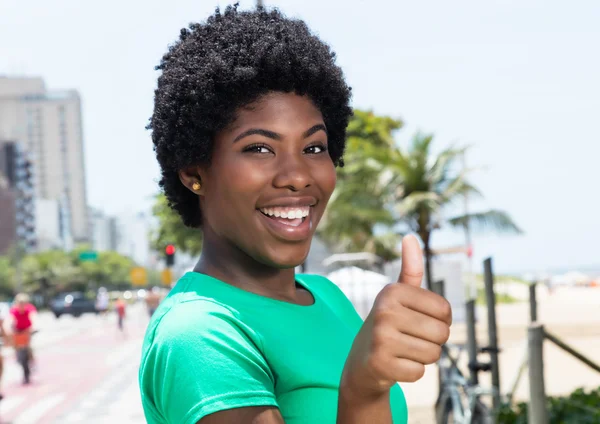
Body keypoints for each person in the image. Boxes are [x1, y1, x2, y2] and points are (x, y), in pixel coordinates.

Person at [138, 5, 452, 424]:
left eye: (314, 148)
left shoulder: (326, 296)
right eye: (259, 149)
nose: (297, 176)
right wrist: (362, 391)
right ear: (195, 172)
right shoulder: (198, 333)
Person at [9, 293, 37, 368]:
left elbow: (33, 317)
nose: (21, 306)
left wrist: (33, 327)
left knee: (28, 346)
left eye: (23, 303)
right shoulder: (14, 310)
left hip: (27, 329)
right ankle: (17, 356)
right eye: (20, 303)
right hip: (17, 330)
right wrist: (11, 327)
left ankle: (32, 361)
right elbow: (11, 320)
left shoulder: (30, 309)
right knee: (15, 345)